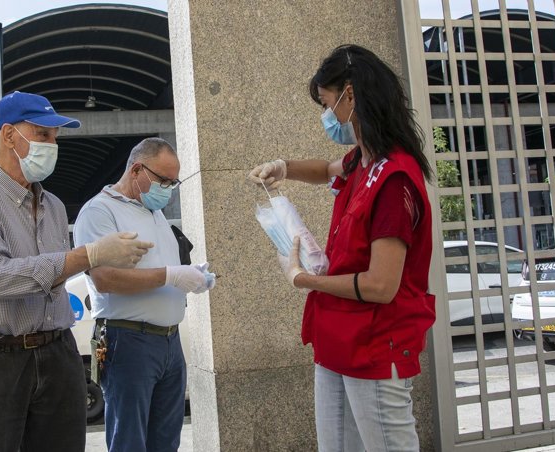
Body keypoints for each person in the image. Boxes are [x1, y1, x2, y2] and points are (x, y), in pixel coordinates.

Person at [0, 91, 154, 452]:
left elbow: (53, 279)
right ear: (9, 136)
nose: (52, 145)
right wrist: (88, 254)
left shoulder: (53, 206)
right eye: (43, 135)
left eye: (55, 137)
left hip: (57, 352)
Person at [248, 44, 436, 452]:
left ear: (350, 95)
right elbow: (327, 169)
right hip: (337, 339)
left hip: (374, 343)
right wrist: (285, 167)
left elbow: (381, 285)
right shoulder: (362, 161)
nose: (327, 116)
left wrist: (305, 278)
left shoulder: (394, 179)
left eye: (328, 103)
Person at [73, 137, 215, 452]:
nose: (168, 188)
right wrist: (171, 275)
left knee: (165, 439)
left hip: (169, 341)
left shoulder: (153, 212)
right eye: (163, 180)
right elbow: (104, 278)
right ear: (137, 169)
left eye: (173, 182)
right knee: (130, 440)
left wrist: (190, 276)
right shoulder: (99, 212)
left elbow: (159, 269)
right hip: (129, 340)